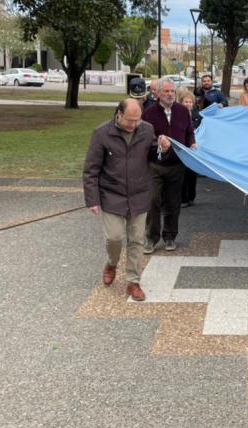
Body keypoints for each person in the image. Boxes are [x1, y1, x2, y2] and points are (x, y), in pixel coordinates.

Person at [83, 99, 168, 302]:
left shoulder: (147, 130)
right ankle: (112, 263)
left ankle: (133, 281)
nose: (133, 125)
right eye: (129, 120)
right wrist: (92, 199)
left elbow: (154, 156)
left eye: (137, 120)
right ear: (118, 114)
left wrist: (163, 148)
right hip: (112, 195)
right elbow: (91, 170)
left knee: (137, 240)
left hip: (139, 195)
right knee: (114, 237)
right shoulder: (102, 133)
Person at [141, 80, 196, 253]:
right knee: (153, 201)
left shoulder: (182, 111)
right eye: (166, 91)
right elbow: (143, 139)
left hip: (177, 164)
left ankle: (170, 236)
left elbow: (189, 132)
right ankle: (151, 238)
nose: (170, 94)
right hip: (155, 165)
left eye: (172, 91)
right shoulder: (149, 113)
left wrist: (192, 143)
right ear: (157, 93)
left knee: (173, 203)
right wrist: (158, 146)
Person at [178, 87, 201, 208]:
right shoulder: (177, 115)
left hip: (193, 149)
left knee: (192, 174)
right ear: (181, 103)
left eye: (190, 102)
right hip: (182, 148)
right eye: (186, 102)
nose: (188, 104)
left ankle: (191, 197)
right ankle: (183, 198)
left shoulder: (197, 115)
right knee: (183, 174)